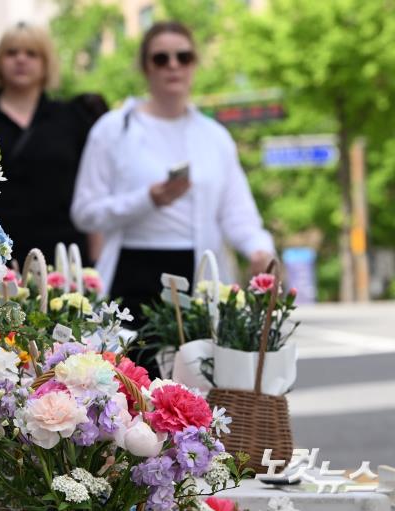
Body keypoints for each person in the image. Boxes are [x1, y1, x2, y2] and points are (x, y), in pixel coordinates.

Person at [71, 20, 274, 326]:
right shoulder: (113, 130)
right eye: (161, 58)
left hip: (199, 274)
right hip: (132, 272)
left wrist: (260, 250)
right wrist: (148, 199)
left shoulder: (215, 136)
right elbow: (85, 212)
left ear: (194, 64)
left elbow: (237, 214)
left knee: (200, 356)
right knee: (131, 356)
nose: (173, 65)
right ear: (146, 67)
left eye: (184, 57)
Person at [0, 23, 105, 265]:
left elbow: (92, 192)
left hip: (63, 256)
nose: (21, 59)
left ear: (46, 64)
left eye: (31, 53)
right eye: (11, 52)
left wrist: (98, 262)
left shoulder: (73, 117)